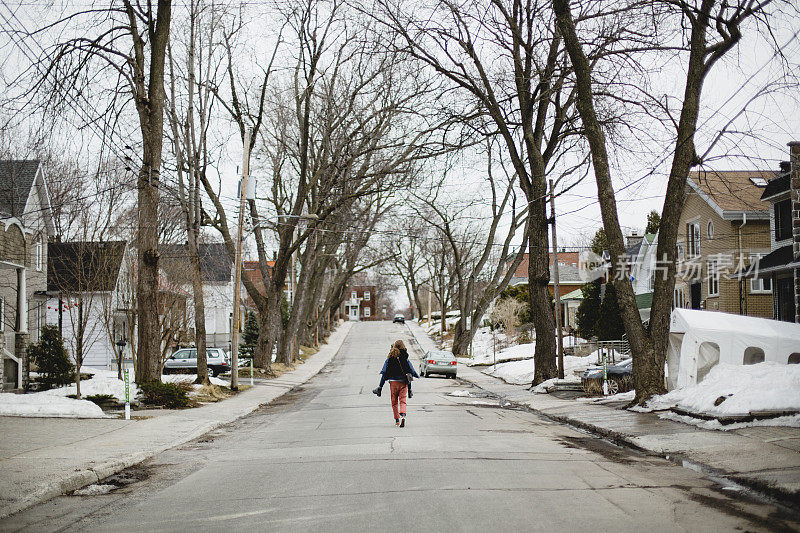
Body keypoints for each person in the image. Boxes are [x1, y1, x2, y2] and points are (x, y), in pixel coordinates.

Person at [372, 339, 418, 427]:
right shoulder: (405, 358)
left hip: (393, 383)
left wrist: (381, 385)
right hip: (403, 383)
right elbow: (410, 372)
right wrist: (410, 388)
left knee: (394, 402)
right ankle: (403, 416)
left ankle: (397, 420)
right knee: (403, 401)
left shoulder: (390, 358)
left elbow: (384, 372)